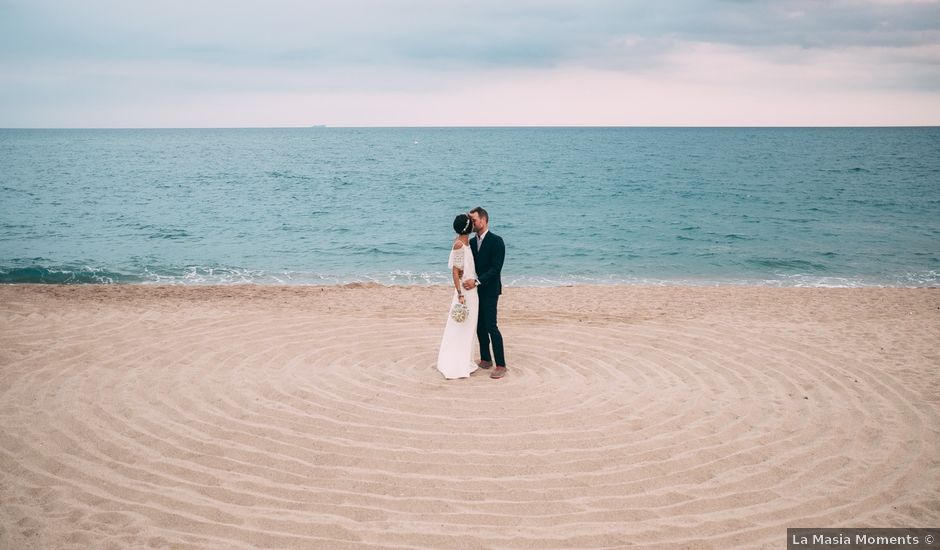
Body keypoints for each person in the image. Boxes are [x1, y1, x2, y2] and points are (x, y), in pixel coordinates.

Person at [463, 207, 507, 379]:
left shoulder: (497, 241)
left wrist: (477, 281)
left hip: (490, 290)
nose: (472, 224)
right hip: (475, 291)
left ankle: (501, 364)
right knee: (479, 326)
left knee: (491, 326)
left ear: (484, 220)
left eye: (474, 220)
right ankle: (486, 358)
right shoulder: (472, 243)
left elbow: (496, 269)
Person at [435, 213, 479, 379]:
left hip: (473, 292)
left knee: (469, 327)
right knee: (462, 326)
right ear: (468, 227)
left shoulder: (465, 243)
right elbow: (455, 272)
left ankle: (465, 360)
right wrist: (460, 294)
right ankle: (455, 363)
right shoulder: (460, 245)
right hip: (465, 293)